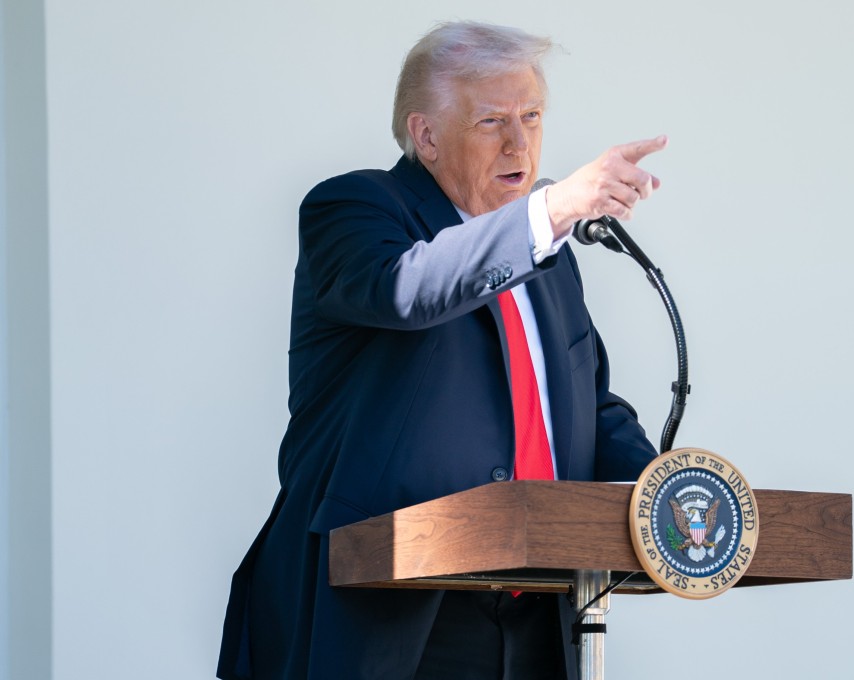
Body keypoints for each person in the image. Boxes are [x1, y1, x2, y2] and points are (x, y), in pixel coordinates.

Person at [217, 21, 666, 680]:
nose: (521, 142)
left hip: (540, 607)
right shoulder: (354, 207)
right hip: (387, 605)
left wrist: (670, 493)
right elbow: (406, 290)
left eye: (532, 116)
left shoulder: (548, 259)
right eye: (492, 122)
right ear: (426, 135)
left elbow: (583, 409)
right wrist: (551, 213)